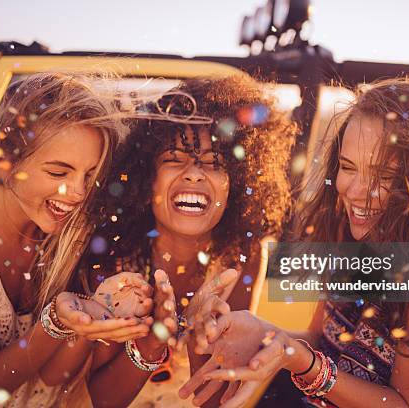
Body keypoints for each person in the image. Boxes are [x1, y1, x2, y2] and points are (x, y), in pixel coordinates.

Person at [180, 78, 409, 407]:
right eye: (348, 167)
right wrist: (264, 334)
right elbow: (325, 340)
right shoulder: (352, 237)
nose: (355, 191)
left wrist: (303, 363)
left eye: (383, 176)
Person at [0, 72, 153, 407]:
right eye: (58, 172)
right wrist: (53, 322)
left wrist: (89, 318)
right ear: (7, 159)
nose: (79, 192)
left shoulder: (68, 232)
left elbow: (53, 379)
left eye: (89, 175)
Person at [79, 76, 297, 407]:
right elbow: (98, 399)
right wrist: (151, 345)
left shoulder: (244, 257)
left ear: (235, 184)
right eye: (174, 159)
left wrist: (201, 344)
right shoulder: (111, 254)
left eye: (213, 163)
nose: (195, 174)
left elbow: (220, 400)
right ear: (146, 177)